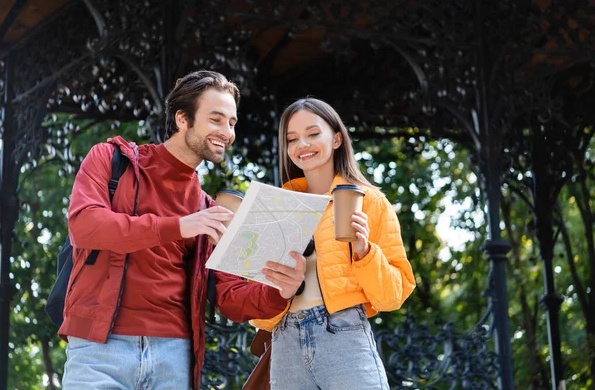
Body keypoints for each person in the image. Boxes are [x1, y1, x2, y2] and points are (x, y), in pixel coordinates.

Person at [60, 70, 306, 390]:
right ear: (182, 119)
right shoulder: (110, 159)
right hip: (100, 349)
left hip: (174, 356)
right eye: (216, 119)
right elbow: (86, 226)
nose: (227, 132)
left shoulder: (207, 210)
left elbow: (229, 295)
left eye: (231, 123)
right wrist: (178, 226)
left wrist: (281, 290)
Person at [250, 98, 416, 390]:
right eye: (292, 139)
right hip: (285, 340)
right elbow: (258, 302)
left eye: (313, 133)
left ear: (337, 138)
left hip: (344, 334)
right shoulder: (277, 207)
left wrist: (365, 252)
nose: (303, 144)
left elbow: (392, 296)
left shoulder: (369, 201)